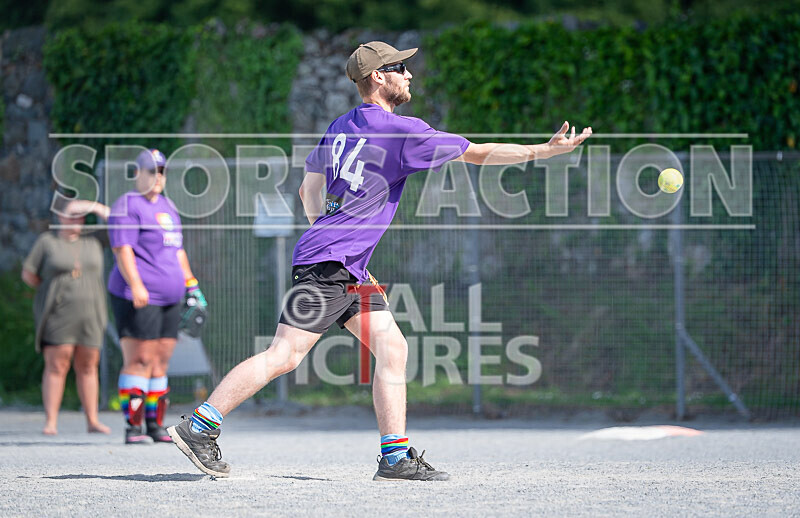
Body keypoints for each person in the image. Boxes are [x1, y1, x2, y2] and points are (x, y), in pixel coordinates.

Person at [168, 41, 591, 479]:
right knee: (284, 355)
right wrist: (545, 151)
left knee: (392, 348)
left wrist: (333, 238)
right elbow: (478, 153)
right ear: (377, 76)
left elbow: (308, 191)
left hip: (342, 265)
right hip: (329, 267)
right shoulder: (400, 131)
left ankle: (394, 458)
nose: (409, 74)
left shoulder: (340, 126)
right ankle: (200, 426)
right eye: (400, 67)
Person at [108, 149, 207, 444]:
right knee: (139, 358)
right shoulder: (128, 205)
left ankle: (155, 424)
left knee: (161, 360)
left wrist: (192, 285)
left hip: (170, 296)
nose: (157, 176)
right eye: (151, 171)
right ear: (137, 174)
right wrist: (137, 285)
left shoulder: (168, 206)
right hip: (139, 295)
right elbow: (122, 249)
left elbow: (177, 250)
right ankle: (133, 427)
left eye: (161, 171)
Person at [22, 199, 112, 436]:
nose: (76, 219)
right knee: (57, 365)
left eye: (80, 215)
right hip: (58, 314)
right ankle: (51, 422)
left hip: (91, 314)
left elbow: (119, 224)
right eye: (71, 214)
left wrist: (94, 207)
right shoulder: (47, 241)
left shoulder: (94, 239)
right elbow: (29, 274)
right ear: (59, 216)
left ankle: (92, 420)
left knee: (88, 366)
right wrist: (52, 291)